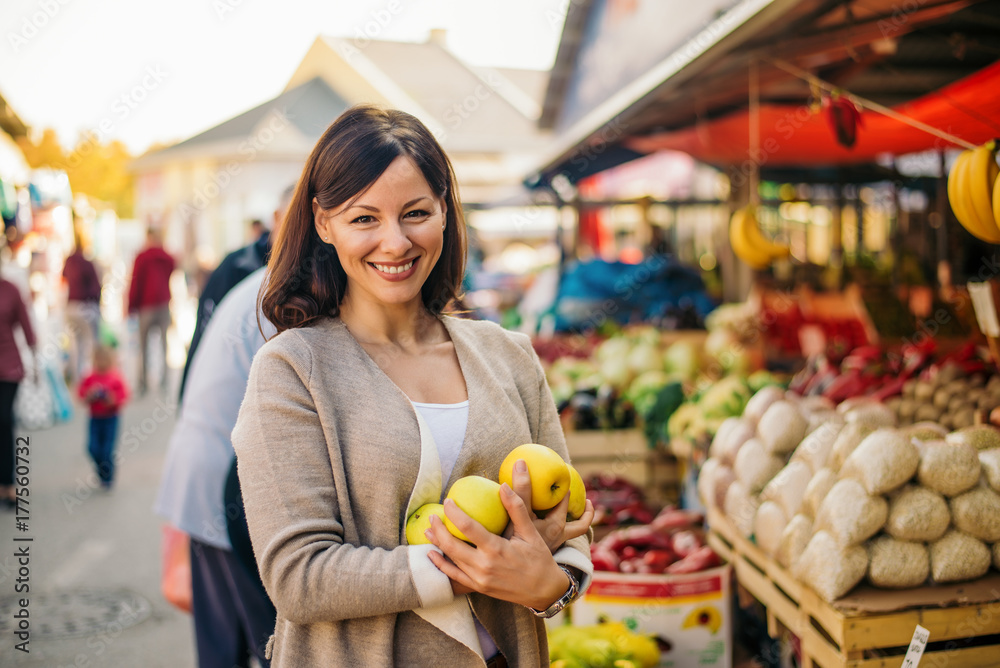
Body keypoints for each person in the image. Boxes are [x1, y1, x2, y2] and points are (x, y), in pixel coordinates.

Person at [232, 105, 595, 666]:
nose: (395, 242)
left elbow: (568, 530)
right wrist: (482, 568)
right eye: (364, 219)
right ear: (324, 224)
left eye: (415, 212)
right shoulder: (293, 371)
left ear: (445, 213)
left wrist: (551, 586)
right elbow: (299, 577)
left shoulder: (510, 356)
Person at [155, 268, 277, 668]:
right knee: (275, 646)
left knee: (221, 644)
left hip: (208, 473)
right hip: (229, 487)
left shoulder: (265, 279)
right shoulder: (294, 288)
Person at [178, 185, 294, 401]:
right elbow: (204, 332)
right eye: (296, 219)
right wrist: (186, 396)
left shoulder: (316, 271)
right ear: (277, 218)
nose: (303, 233)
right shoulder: (235, 267)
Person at [0, 268, 36, 509]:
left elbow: (26, 325)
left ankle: (9, 485)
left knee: (4, 421)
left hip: (8, 366)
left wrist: (37, 364)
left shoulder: (10, 289)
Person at [128, 227, 175, 395]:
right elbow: (173, 267)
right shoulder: (166, 257)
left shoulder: (142, 257)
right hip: (163, 303)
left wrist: (130, 305)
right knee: (164, 345)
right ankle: (164, 381)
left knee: (143, 346)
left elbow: (135, 281)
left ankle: (143, 383)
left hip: (146, 306)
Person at [77, 345, 129, 489]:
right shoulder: (89, 377)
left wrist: (110, 398)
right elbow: (81, 396)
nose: (101, 362)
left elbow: (123, 397)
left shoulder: (115, 377)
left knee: (107, 450)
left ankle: (108, 477)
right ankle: (101, 471)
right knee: (92, 448)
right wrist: (90, 395)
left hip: (111, 419)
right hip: (95, 418)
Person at [62, 228, 102, 386]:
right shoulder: (86, 262)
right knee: (90, 344)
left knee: (76, 345)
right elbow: (96, 287)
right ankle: (91, 379)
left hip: (72, 306)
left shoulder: (69, 261)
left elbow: (64, 279)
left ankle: (79, 380)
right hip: (85, 306)